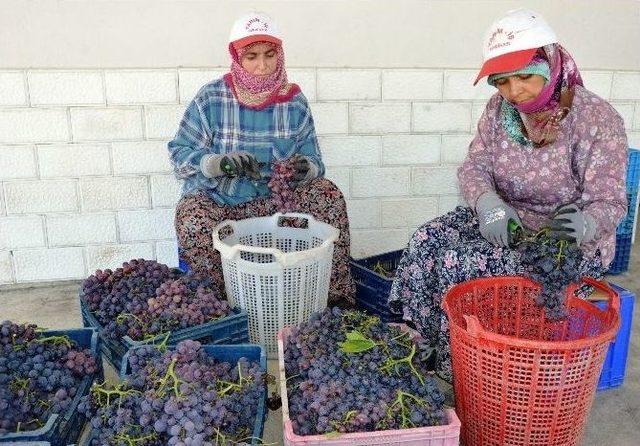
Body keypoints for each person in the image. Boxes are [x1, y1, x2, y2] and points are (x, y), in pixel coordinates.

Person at [389, 8, 628, 381]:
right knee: (425, 240)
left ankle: (465, 370)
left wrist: (586, 224)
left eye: (525, 77)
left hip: (564, 243)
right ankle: (425, 345)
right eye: (501, 81)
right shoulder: (499, 111)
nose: (514, 91)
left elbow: (611, 201)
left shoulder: (597, 119)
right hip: (506, 220)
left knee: (458, 261)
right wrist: (488, 204)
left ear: (551, 62)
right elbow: (475, 166)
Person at [169, 12, 355, 305]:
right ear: (237, 57)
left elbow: (316, 160)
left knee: (328, 195)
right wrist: (217, 163)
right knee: (192, 216)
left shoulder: (293, 102)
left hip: (277, 205)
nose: (262, 66)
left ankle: (332, 299)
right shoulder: (211, 99)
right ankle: (219, 306)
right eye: (252, 56)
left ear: (279, 54)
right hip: (224, 205)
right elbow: (179, 153)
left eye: (269, 55)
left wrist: (305, 168)